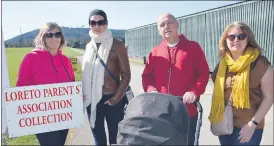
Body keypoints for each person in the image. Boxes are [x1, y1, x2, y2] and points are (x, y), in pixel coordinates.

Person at [141, 13, 209, 145]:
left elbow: (203, 73)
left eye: (169, 23)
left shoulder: (193, 47)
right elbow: (147, 76)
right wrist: (151, 89)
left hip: (187, 111)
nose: (166, 27)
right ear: (159, 30)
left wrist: (194, 91)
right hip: (161, 112)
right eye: (162, 25)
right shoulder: (155, 52)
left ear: (177, 25)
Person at [208, 21, 273, 145]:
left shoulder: (260, 63)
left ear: (248, 39)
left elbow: (269, 97)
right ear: (225, 40)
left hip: (248, 127)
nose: (236, 40)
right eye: (231, 36)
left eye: (241, 36)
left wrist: (252, 124)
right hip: (225, 124)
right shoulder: (222, 64)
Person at [16, 22, 75, 145]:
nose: (54, 38)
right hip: (42, 118)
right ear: (43, 37)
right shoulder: (30, 58)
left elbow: (72, 85)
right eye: (49, 35)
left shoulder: (66, 60)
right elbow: (21, 89)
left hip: (63, 116)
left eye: (57, 34)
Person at [81, 9, 131, 145]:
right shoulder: (88, 46)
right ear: (89, 25)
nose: (97, 26)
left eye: (100, 22)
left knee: (115, 139)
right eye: (93, 23)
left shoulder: (117, 45)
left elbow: (126, 75)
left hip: (112, 100)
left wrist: (115, 100)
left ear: (106, 24)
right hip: (92, 101)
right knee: (99, 140)